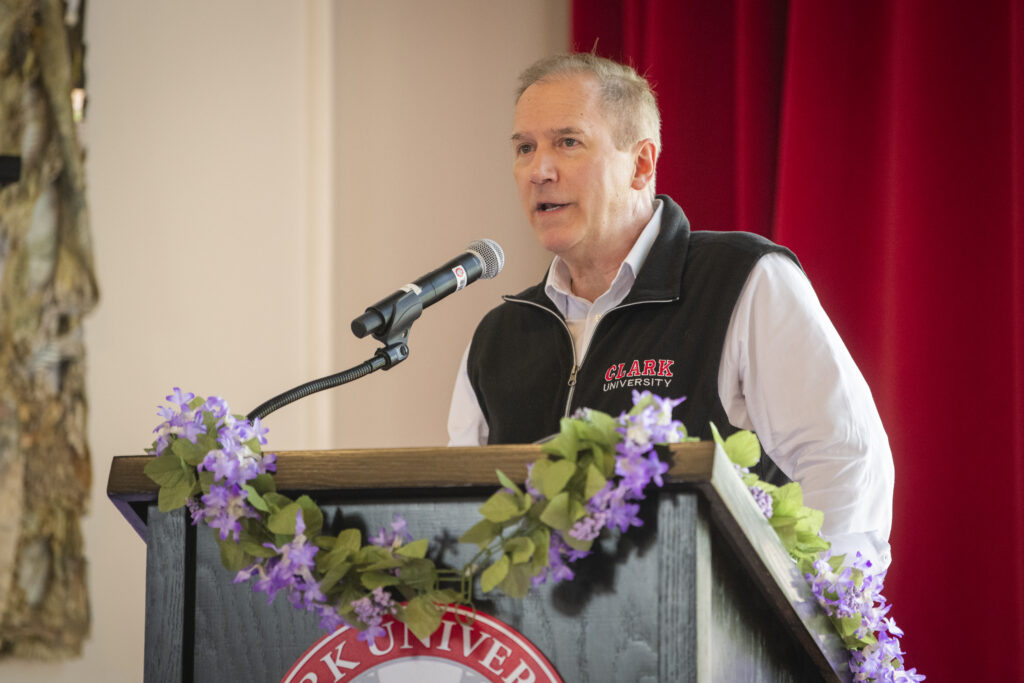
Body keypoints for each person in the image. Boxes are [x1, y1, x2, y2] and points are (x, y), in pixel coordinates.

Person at [447, 53, 893, 571]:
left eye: (568, 142)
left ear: (641, 165)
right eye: (525, 148)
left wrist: (810, 606)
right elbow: (460, 513)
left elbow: (844, 460)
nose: (539, 172)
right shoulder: (498, 337)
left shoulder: (740, 280)